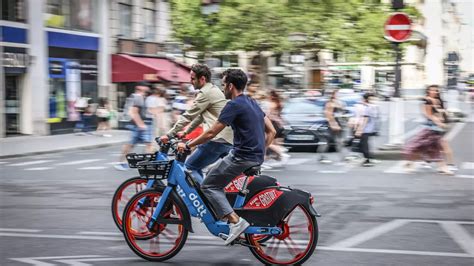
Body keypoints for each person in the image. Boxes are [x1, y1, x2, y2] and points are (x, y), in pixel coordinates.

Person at [179, 68, 276, 245]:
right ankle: (222, 211)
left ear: (230, 86)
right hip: (253, 156)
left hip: (241, 157)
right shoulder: (252, 102)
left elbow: (211, 133)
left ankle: (235, 221)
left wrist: (187, 144)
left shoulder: (233, 105)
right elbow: (272, 131)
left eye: (223, 85)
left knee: (208, 185)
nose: (222, 88)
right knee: (212, 174)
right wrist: (260, 152)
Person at [160, 64, 234, 181]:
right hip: (226, 139)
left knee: (190, 167)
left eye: (193, 78)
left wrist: (168, 134)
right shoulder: (213, 89)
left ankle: (202, 197)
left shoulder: (205, 93)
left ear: (202, 79)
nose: (190, 81)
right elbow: (200, 117)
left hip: (217, 140)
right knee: (200, 168)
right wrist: (186, 132)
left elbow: (188, 116)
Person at [403, 85, 453, 175]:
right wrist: (439, 122)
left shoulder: (437, 100)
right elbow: (428, 115)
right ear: (428, 91)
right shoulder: (428, 100)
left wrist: (444, 116)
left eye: (436, 90)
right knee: (417, 146)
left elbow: (441, 113)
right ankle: (410, 163)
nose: (434, 92)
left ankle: (443, 167)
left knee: (434, 148)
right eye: (432, 90)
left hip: (436, 129)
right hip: (430, 128)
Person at [114, 82, 153, 171]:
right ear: (141, 88)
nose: (147, 89)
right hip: (140, 125)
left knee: (132, 144)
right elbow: (134, 112)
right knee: (147, 144)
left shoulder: (136, 96)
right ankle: (147, 166)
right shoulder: (138, 97)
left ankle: (121, 162)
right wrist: (141, 125)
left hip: (137, 125)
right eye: (146, 87)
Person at [355, 93, 378, 167]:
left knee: (364, 145)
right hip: (371, 129)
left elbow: (365, 119)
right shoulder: (373, 107)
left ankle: (367, 160)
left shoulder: (368, 108)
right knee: (366, 144)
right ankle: (368, 158)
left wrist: (359, 130)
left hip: (366, 129)